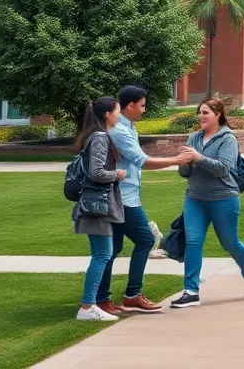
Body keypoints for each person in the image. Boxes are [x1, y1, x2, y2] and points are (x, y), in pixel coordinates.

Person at [101, 85, 183, 315]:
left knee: (113, 248)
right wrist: (177, 160)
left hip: (122, 196)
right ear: (130, 106)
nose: (144, 110)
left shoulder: (126, 129)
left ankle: (102, 299)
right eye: (142, 105)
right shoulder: (120, 132)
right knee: (146, 240)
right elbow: (141, 161)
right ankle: (131, 296)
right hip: (123, 198)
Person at [171, 98, 244, 309]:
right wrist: (183, 163)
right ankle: (191, 290)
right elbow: (184, 172)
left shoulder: (227, 139)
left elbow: (223, 169)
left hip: (224, 199)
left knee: (230, 243)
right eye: (199, 112)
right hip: (195, 198)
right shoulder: (193, 138)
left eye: (205, 112)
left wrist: (198, 158)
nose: (201, 116)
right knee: (193, 242)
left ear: (218, 114)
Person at [74, 96, 127, 321]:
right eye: (117, 111)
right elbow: (96, 173)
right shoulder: (100, 137)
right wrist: (117, 174)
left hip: (97, 204)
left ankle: (90, 305)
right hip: (97, 205)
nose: (119, 115)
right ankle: (87, 307)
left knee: (102, 253)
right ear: (107, 114)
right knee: (102, 254)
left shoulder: (95, 136)